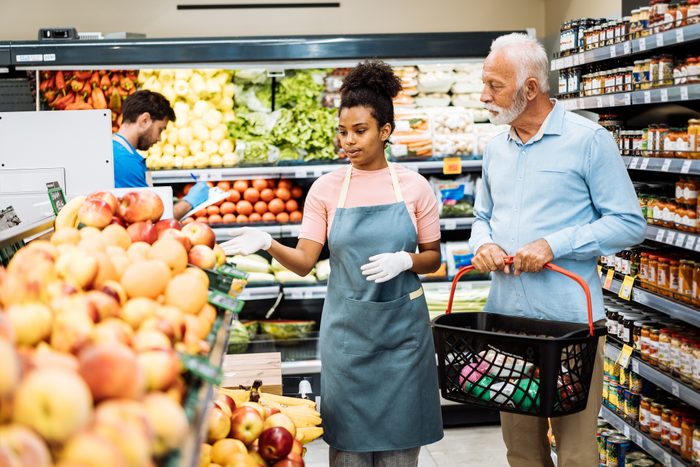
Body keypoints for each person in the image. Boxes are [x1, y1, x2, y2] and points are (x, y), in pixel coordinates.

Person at [221, 60, 443, 466]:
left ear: (385, 131)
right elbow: (305, 262)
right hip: (348, 340)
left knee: (399, 456)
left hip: (404, 343)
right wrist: (268, 242)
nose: (348, 142)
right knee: (348, 456)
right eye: (342, 131)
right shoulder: (325, 190)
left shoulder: (414, 186)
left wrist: (405, 260)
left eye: (360, 131)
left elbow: (433, 259)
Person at [469, 33, 646, 467]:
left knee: (577, 455)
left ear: (530, 89)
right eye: (484, 84)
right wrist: (483, 243)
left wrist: (554, 245)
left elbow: (628, 223)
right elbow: (481, 217)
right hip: (507, 325)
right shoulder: (495, 148)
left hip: (572, 326)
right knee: (522, 453)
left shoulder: (589, 140)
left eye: (495, 85)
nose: (483, 95)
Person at [113, 90, 209, 219]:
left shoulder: (117, 151)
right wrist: (188, 202)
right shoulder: (125, 161)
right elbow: (149, 219)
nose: (159, 139)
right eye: (160, 129)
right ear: (144, 120)